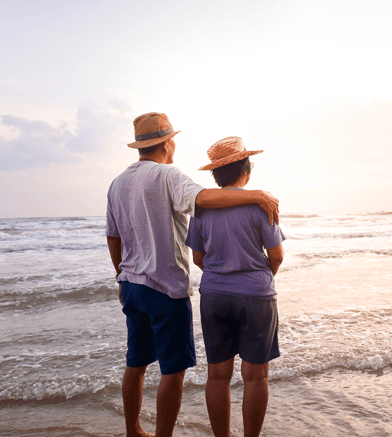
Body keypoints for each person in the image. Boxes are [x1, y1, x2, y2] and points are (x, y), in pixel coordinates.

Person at [106, 113, 280, 437]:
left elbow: (112, 236)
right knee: (172, 370)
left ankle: (133, 431)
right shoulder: (167, 174)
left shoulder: (117, 183)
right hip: (164, 287)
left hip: (131, 283)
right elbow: (205, 199)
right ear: (167, 143)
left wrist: (120, 275)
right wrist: (257, 195)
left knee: (136, 363)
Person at [185, 137, 285, 437]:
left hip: (214, 295)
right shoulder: (261, 205)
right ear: (246, 170)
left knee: (217, 375)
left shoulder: (202, 209)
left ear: (216, 175)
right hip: (256, 295)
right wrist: (258, 278)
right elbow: (277, 255)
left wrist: (222, 275)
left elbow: (198, 258)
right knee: (256, 376)